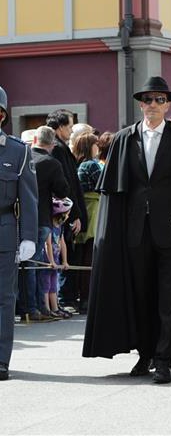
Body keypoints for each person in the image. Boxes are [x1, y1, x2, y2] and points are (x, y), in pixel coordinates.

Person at [83, 76, 171, 384]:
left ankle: (164, 358)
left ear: (168, 104)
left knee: (169, 296)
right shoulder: (123, 139)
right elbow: (114, 195)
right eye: (148, 100)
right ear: (140, 104)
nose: (153, 105)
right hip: (134, 232)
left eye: (159, 100)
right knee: (141, 295)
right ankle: (144, 353)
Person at [0, 85, 38, 381]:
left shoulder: (17, 150)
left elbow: (28, 196)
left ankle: (1, 360)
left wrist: (28, 236)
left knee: (4, 298)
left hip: (4, 230)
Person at [19, 126, 69, 322]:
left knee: (25, 265)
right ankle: (35, 309)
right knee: (36, 265)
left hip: (19, 217)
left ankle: (27, 307)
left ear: (34, 140)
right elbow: (62, 191)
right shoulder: (52, 163)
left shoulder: (23, 157)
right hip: (41, 218)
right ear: (52, 144)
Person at [46, 109, 87, 310]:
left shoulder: (61, 148)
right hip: (65, 212)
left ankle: (65, 299)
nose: (71, 131)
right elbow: (67, 185)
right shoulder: (59, 149)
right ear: (60, 126)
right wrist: (74, 214)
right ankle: (65, 299)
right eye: (69, 126)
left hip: (66, 211)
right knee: (65, 256)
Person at [72, 132, 102, 314]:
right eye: (95, 144)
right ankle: (88, 298)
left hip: (86, 211)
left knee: (84, 257)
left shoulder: (79, 165)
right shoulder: (91, 165)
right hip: (94, 211)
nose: (98, 147)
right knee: (90, 258)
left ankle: (83, 298)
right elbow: (104, 184)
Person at [40, 197, 73, 319]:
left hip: (56, 261)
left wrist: (64, 261)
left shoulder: (61, 227)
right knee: (46, 285)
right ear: (61, 214)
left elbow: (62, 243)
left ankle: (55, 308)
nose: (68, 217)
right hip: (47, 260)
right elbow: (47, 244)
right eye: (67, 214)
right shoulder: (49, 227)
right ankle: (47, 310)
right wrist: (51, 261)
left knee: (54, 285)